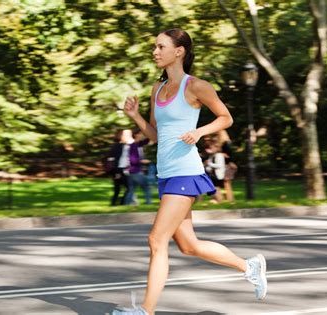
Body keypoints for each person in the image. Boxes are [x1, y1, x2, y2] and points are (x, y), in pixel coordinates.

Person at [111, 29, 267, 315]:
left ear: (179, 51)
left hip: (185, 172)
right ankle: (250, 266)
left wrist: (199, 131)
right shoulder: (157, 89)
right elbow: (156, 135)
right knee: (188, 245)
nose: (155, 51)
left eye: (161, 46)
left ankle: (145, 310)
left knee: (156, 240)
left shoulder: (195, 86)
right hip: (166, 173)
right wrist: (133, 117)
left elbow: (226, 118)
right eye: (154, 47)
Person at [124, 128, 152, 205]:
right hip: (135, 171)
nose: (143, 135)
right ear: (136, 135)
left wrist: (151, 132)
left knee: (131, 189)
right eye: (141, 134)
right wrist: (142, 161)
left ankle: (126, 204)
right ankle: (148, 203)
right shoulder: (133, 145)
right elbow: (133, 160)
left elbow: (147, 140)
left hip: (131, 171)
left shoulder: (138, 144)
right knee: (146, 187)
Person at [107, 129, 133, 206]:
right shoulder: (117, 146)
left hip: (122, 169)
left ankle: (117, 203)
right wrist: (117, 172)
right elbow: (114, 160)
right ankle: (118, 203)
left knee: (121, 188)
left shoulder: (123, 146)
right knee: (123, 188)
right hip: (118, 170)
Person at [217, 129, 237, 202]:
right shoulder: (227, 143)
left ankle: (230, 199)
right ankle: (229, 199)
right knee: (226, 183)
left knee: (226, 183)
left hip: (228, 165)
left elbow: (228, 155)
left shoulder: (226, 144)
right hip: (227, 165)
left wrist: (229, 161)